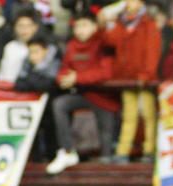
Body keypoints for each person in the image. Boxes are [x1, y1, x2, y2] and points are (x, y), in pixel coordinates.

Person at [47, 12, 119, 174]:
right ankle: (67, 150)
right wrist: (63, 79)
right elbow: (65, 68)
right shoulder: (72, 45)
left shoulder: (104, 44)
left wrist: (77, 77)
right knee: (60, 104)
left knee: (106, 137)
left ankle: (106, 161)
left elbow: (105, 73)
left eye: (84, 25)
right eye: (77, 26)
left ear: (95, 27)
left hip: (104, 96)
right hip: (82, 94)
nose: (80, 30)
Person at [103, 0, 161, 163]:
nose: (129, 3)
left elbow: (152, 51)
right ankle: (123, 151)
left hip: (145, 79)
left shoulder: (148, 24)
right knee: (129, 115)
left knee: (149, 115)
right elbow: (110, 40)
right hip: (126, 79)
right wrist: (111, 21)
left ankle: (150, 150)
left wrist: (147, 74)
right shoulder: (121, 23)